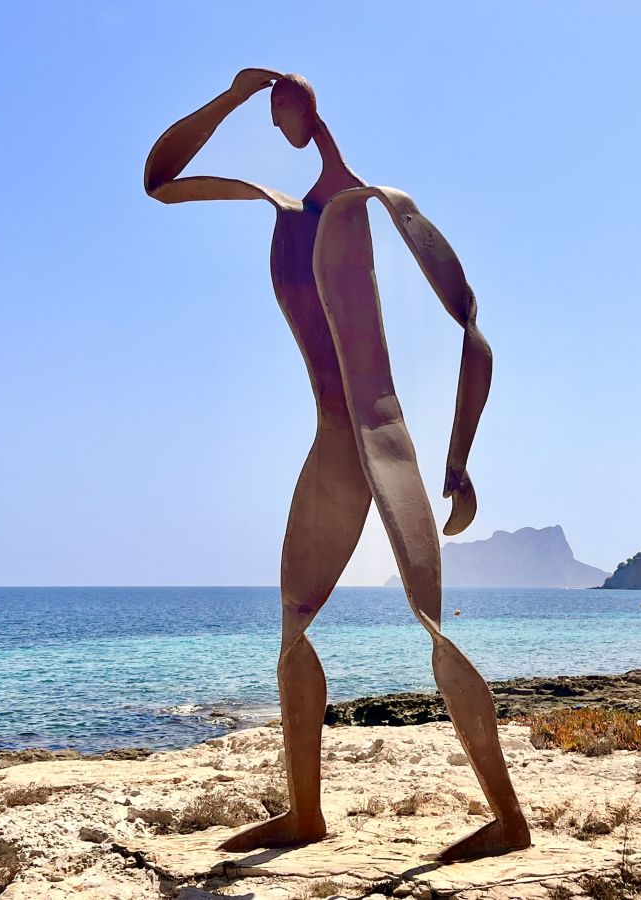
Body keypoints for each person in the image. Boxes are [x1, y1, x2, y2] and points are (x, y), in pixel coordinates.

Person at [144, 69, 529, 862]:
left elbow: (470, 321)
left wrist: (460, 457)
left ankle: (507, 817)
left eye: (280, 109)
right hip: (330, 443)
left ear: (309, 112)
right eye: (270, 110)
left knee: (429, 623)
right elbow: (159, 182)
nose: (276, 124)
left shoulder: (374, 201)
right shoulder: (283, 211)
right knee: (293, 630)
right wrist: (233, 92)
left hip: (381, 439)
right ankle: (305, 813)